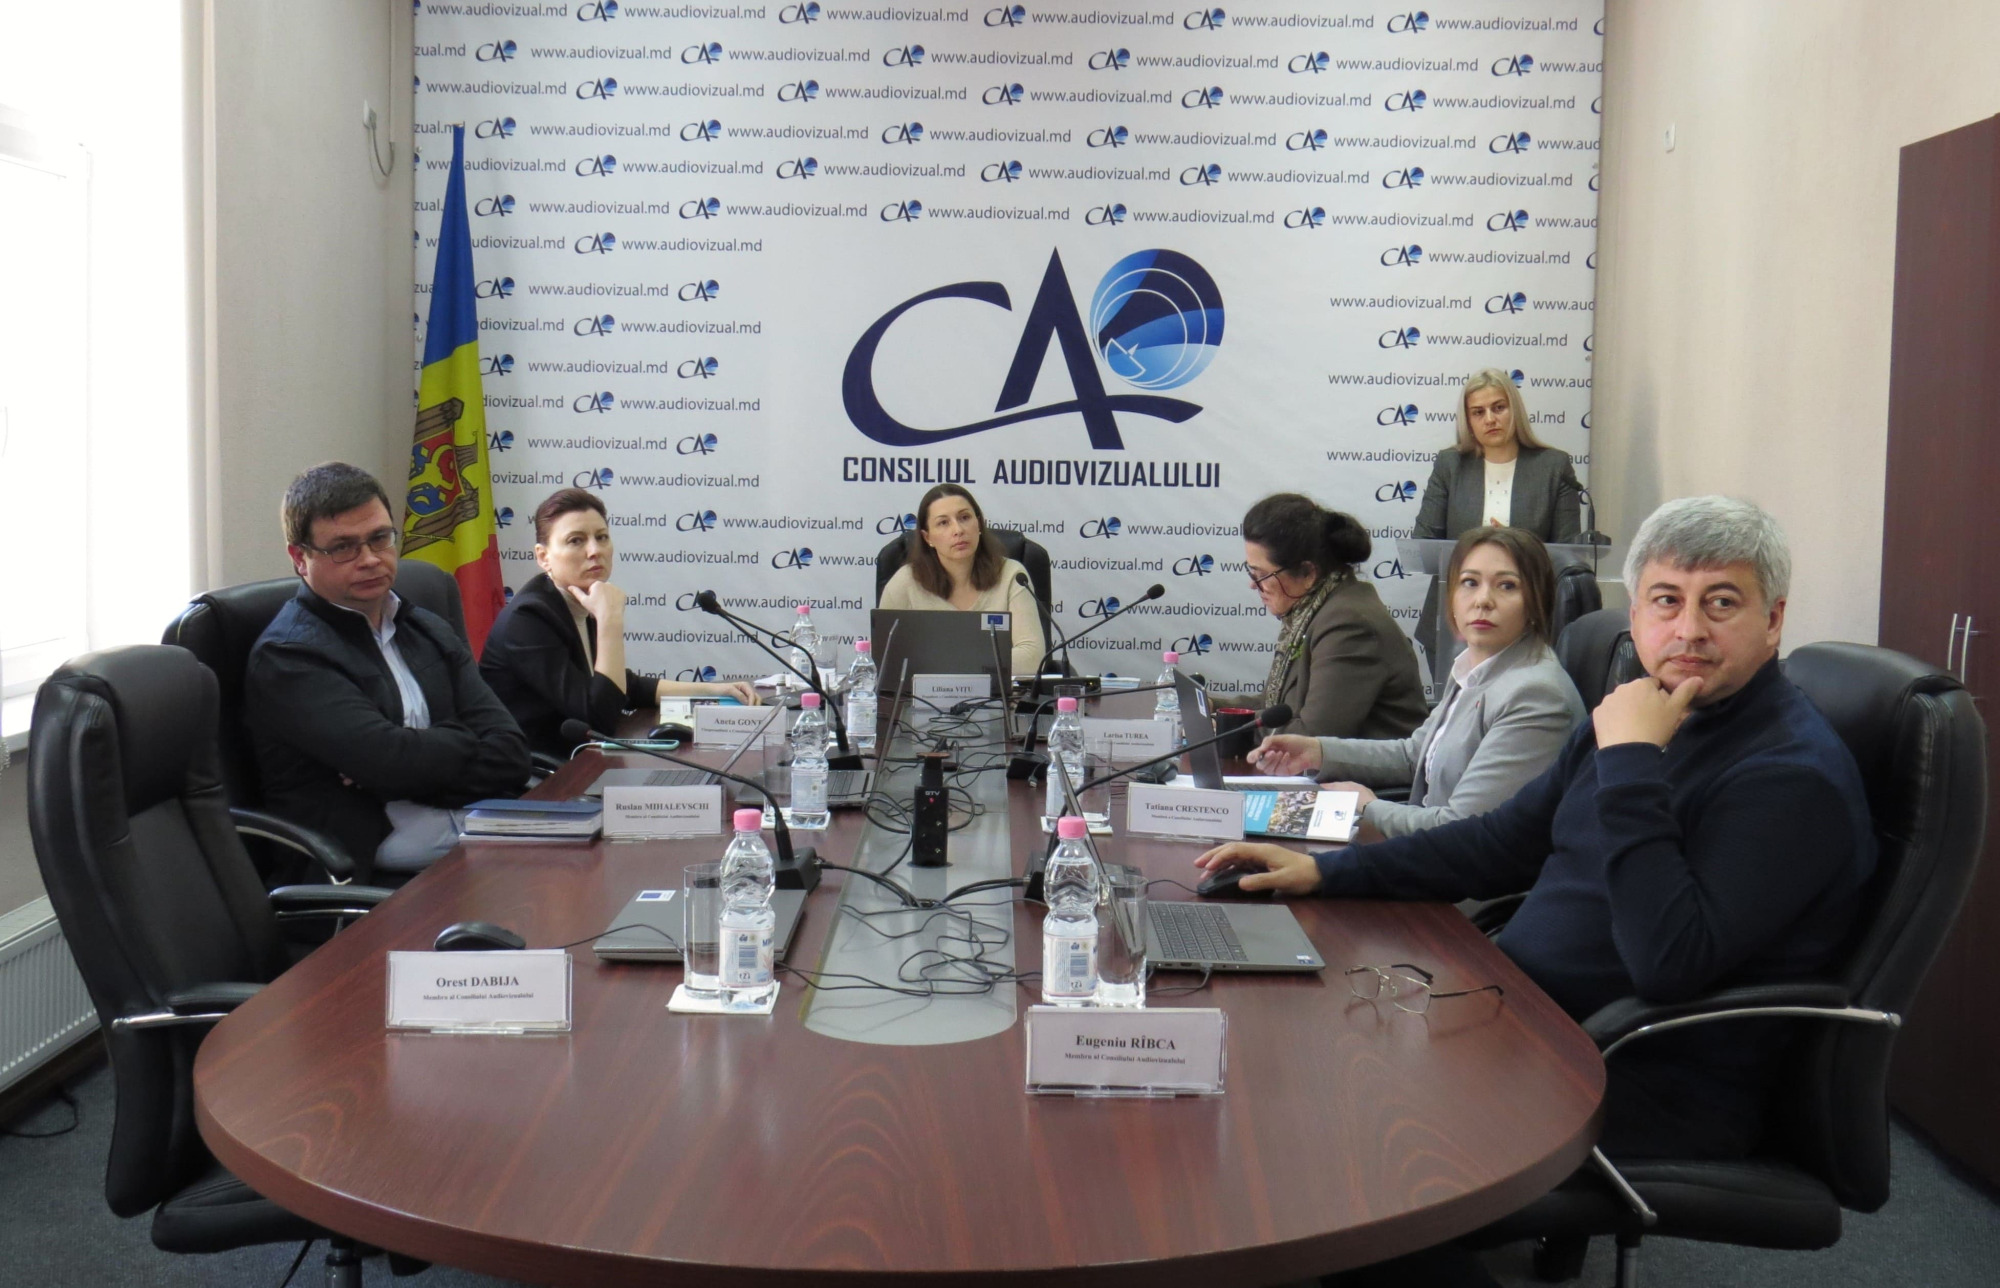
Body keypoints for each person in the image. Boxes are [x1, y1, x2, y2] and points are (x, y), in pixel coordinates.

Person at [1199, 496, 1875, 1169]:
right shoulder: (1642, 712)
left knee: (1342, 1127)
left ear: (1773, 620)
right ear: (1636, 614)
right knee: (1292, 1060)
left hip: (1630, 1073)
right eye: (1666, 601)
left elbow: (1669, 963)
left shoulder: (1788, 775)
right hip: (1523, 1015)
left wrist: (1630, 763)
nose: (1689, 630)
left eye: (1721, 603)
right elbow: (1499, 844)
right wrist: (1324, 872)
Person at [245, 463, 532, 877]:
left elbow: (511, 753)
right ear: (300, 558)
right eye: (343, 547)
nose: (369, 559)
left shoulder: (426, 627)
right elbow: (389, 762)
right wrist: (459, 741)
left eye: (380, 538)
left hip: (468, 827)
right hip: (368, 864)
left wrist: (405, 763)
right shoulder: (289, 656)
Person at [1248, 527, 1584, 837]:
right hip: (1423, 850)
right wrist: (1317, 752)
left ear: (1536, 602)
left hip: (1462, 873)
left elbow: (1461, 829)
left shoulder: (1536, 695)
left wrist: (1367, 807)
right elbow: (1414, 755)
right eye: (1469, 582)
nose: (1483, 600)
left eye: (1507, 585)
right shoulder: (1476, 666)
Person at [480, 488, 759, 759]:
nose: (594, 550)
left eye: (601, 537)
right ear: (544, 557)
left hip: (580, 757)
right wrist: (609, 620)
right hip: (539, 773)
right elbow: (599, 717)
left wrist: (715, 690)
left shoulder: (577, 599)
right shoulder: (528, 618)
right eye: (576, 541)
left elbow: (624, 686)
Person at [1242, 493, 1428, 740]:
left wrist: (1224, 727)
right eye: (1251, 572)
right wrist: (1213, 709)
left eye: (1261, 575)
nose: (1253, 584)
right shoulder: (1312, 610)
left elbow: (1312, 736)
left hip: (1361, 767)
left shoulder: (1350, 625)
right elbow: (1275, 707)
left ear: (1308, 573)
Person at [877, 483, 1046, 679]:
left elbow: (1032, 658)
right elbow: (886, 662)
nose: (958, 530)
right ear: (927, 537)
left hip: (1000, 695)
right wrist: (979, 666)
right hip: (923, 697)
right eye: (943, 523)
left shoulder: (1012, 575)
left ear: (979, 524)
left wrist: (946, 666)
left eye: (964, 518)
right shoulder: (905, 583)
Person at [1413, 368, 1584, 543]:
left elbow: (1568, 553)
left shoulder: (1554, 467)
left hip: (1528, 563)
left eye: (1499, 408)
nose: (1490, 419)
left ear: (1515, 412)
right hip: (1461, 563)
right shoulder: (1450, 465)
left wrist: (1517, 546)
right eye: (1478, 412)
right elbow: (1423, 542)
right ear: (1468, 422)